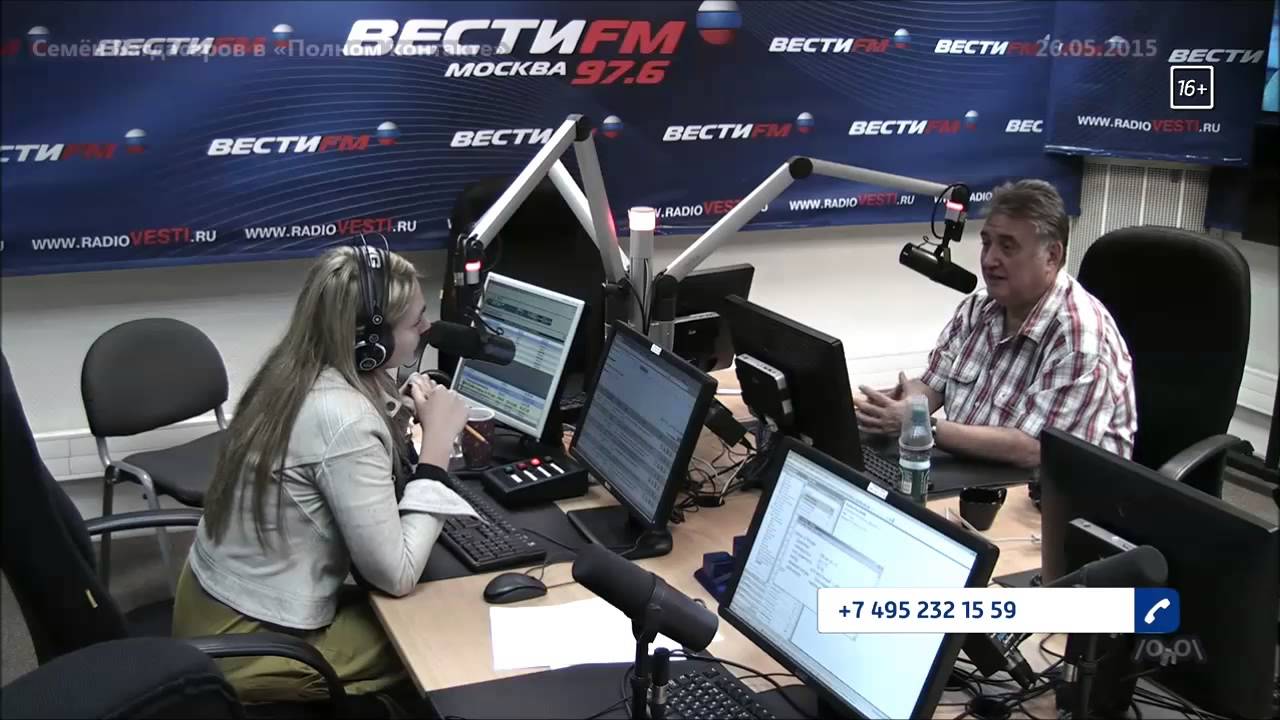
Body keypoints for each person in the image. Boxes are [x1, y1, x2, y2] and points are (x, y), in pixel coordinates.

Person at [172, 244, 472, 707]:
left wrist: (401, 407)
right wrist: (436, 453)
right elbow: (395, 575)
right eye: (416, 321)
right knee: (451, 627)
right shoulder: (343, 418)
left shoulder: (295, 369)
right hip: (251, 646)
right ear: (372, 342)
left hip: (211, 606)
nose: (426, 328)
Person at [855, 179, 1136, 468]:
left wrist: (921, 424)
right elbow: (932, 384)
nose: (989, 260)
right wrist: (903, 406)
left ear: (1052, 256)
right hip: (974, 470)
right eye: (986, 243)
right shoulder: (979, 307)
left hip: (1050, 486)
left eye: (1007, 247)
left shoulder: (1080, 338)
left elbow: (1035, 450)